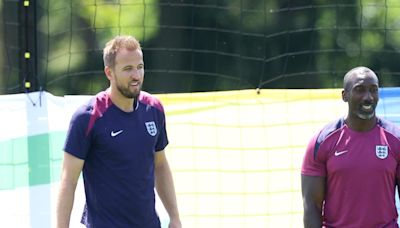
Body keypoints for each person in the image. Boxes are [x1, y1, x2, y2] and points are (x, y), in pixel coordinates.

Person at [56, 35, 182, 228]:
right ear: (109, 73)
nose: (136, 75)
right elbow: (68, 180)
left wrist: (174, 217)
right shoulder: (88, 117)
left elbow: (161, 165)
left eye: (140, 67)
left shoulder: (154, 109)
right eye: (128, 69)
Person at [301, 66, 400, 228]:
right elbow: (312, 205)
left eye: (373, 90)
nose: (368, 97)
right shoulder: (322, 142)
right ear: (345, 95)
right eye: (359, 90)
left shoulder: (396, 139)